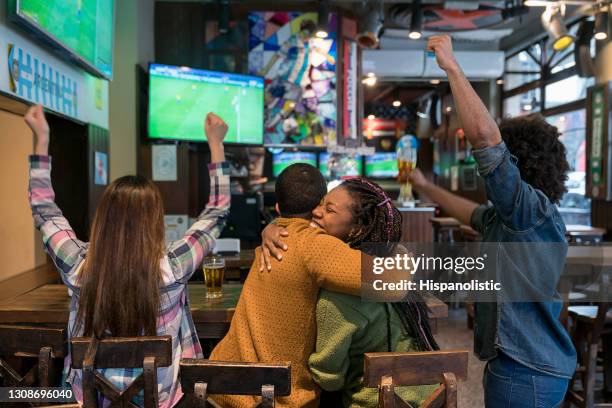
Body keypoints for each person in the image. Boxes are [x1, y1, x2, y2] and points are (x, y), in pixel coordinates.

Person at [25, 104, 231, 408]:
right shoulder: (173, 266)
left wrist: (42, 140)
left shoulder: (77, 265)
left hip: (86, 401)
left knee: (22, 392)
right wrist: (216, 144)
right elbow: (217, 213)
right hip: (162, 402)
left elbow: (45, 212)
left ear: (103, 218)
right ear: (155, 221)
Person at [408, 36, 576, 407]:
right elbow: (468, 212)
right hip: (527, 365)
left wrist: (451, 66)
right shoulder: (516, 219)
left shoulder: (528, 211)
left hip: (525, 369)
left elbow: (487, 142)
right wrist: (425, 186)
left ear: (519, 161)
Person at [209, 164, 403, 408]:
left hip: (221, 383)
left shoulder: (272, 241)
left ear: (278, 208)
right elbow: (395, 282)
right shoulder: (316, 246)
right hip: (267, 401)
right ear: (316, 207)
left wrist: (268, 227)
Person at [304, 177, 439, 407]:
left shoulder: (338, 295)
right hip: (429, 397)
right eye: (321, 203)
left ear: (357, 228)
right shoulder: (394, 265)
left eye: (329, 209)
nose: (315, 212)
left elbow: (328, 377)